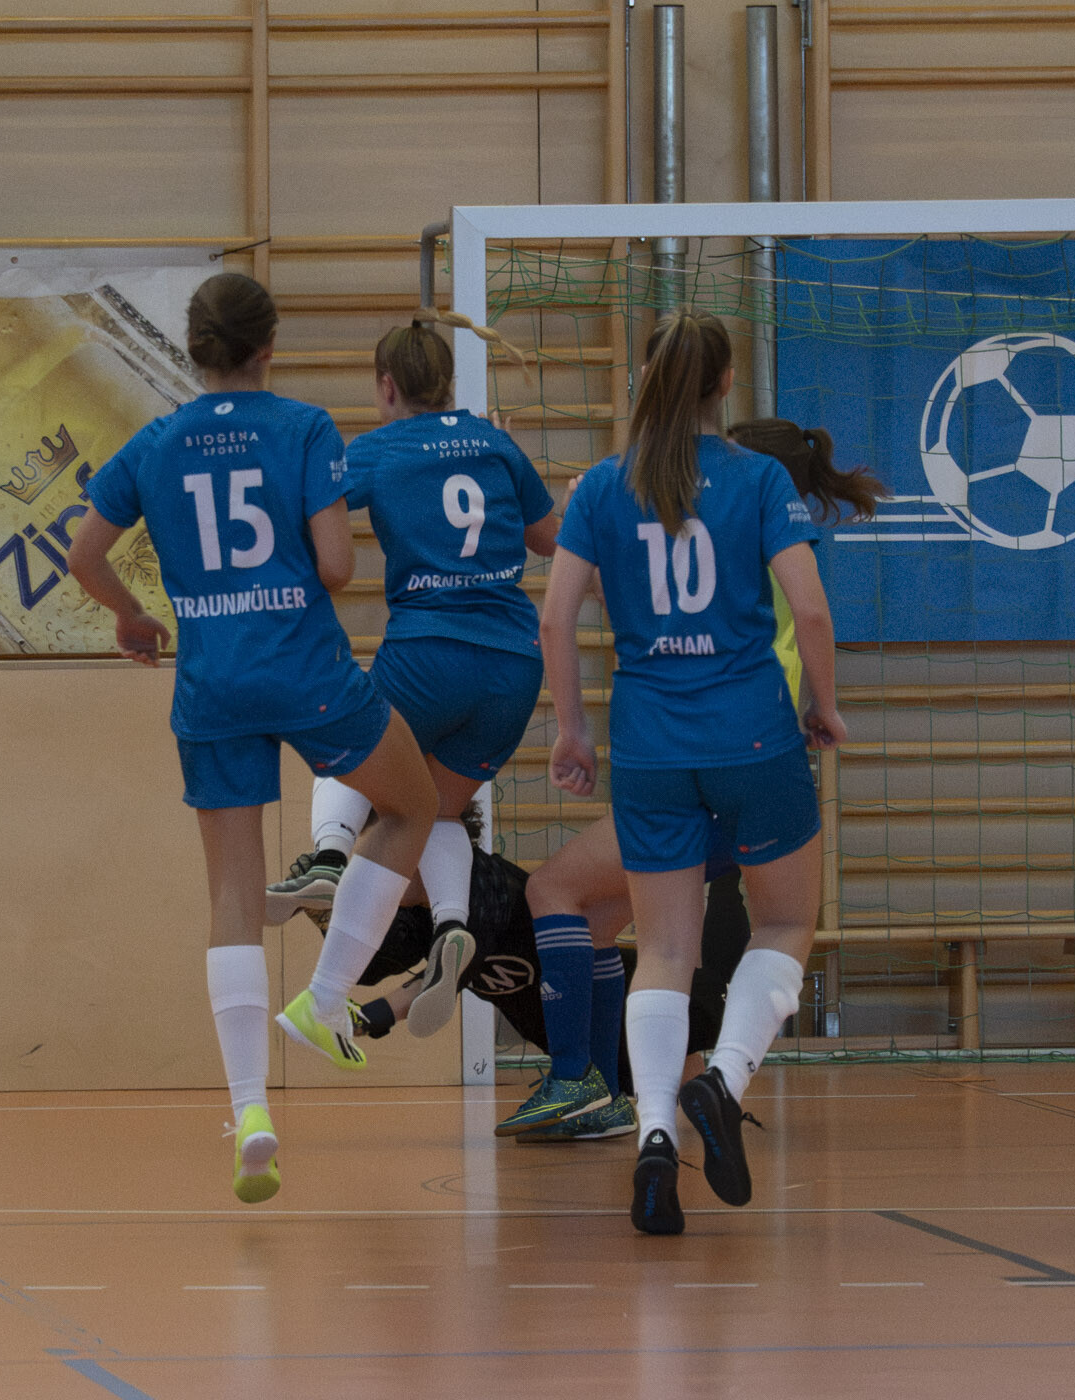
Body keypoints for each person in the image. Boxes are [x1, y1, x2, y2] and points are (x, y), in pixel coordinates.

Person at [66, 272, 438, 1205]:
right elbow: (337, 567)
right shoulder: (304, 429)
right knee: (413, 807)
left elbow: (83, 554)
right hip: (307, 674)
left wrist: (133, 617)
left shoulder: (156, 442)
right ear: (270, 346)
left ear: (195, 349)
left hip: (213, 683)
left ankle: (250, 1113)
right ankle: (325, 997)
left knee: (233, 897)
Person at [541, 309, 845, 1235]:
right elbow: (810, 611)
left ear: (644, 379)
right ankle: (723, 1078)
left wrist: (571, 732)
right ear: (724, 384)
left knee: (663, 951)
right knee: (785, 921)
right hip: (751, 734)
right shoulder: (757, 479)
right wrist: (823, 705)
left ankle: (653, 1139)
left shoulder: (602, 485)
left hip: (648, 744)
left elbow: (555, 619)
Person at [500, 417, 883, 1140]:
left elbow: (619, 610)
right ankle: (650, 1081)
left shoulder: (735, 542)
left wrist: (594, 528)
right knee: (605, 922)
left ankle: (586, 1082)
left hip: (689, 763)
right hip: (757, 766)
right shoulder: (772, 543)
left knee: (559, 893)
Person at [264, 310, 556, 1042]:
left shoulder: (377, 448)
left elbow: (314, 525)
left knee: (347, 757)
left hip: (429, 650)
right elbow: (550, 538)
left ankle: (329, 857)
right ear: (449, 383)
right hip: (515, 666)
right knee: (431, 811)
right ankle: (447, 927)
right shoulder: (493, 442)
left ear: (386, 385)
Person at [298, 806, 754, 1142]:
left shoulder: (483, 885)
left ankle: (702, 1099)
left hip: (636, 1006)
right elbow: (376, 966)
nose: (374, 873)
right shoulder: (420, 910)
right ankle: (636, 1104)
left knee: (683, 1082)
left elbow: (442, 980)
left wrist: (358, 1020)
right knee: (657, 1096)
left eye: (379, 859)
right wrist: (327, 916)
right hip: (582, 1028)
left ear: (423, 852)